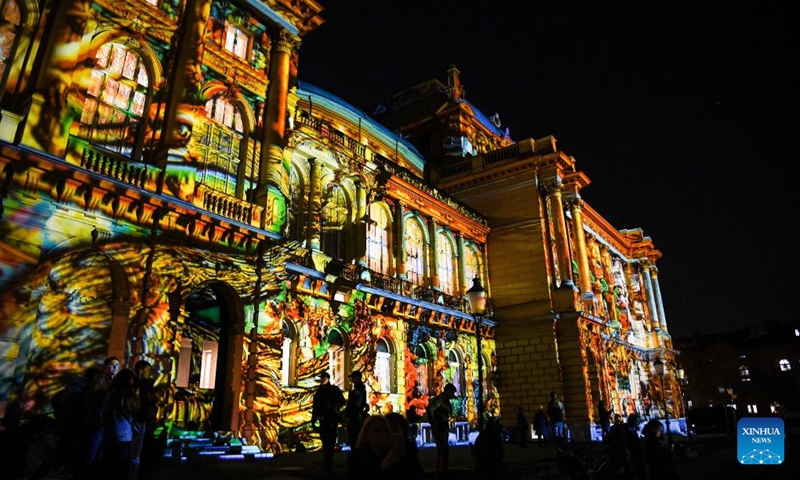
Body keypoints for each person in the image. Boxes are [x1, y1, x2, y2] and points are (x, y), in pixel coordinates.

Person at [102, 368, 141, 479]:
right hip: (122, 433)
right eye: (132, 379)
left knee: (109, 463)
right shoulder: (127, 394)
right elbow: (135, 408)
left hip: (109, 431)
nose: (133, 382)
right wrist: (136, 396)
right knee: (121, 465)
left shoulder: (111, 392)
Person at [311, 371, 345, 472]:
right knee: (325, 441)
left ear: (327, 378)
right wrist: (313, 419)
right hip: (323, 419)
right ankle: (327, 462)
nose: (322, 379)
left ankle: (329, 462)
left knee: (330, 441)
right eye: (321, 378)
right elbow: (316, 405)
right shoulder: (319, 391)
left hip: (331, 418)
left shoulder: (334, 390)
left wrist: (333, 406)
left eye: (323, 377)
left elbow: (342, 401)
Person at [129, 360, 156, 479]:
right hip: (139, 417)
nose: (149, 373)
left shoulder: (132, 383)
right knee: (136, 449)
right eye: (148, 370)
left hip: (134, 417)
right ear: (141, 370)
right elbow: (150, 401)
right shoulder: (145, 384)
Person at [346, 414, 391, 480]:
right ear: (366, 434)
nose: (381, 434)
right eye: (376, 431)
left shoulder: (389, 453)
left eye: (384, 431)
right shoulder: (357, 457)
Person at [382, 412, 424, 480]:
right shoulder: (378, 450)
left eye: (394, 429)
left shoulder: (408, 449)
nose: (391, 433)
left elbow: (416, 472)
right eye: (387, 430)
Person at [427, 382, 456, 480]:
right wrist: (433, 423)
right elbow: (430, 409)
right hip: (439, 427)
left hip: (443, 427)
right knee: (442, 449)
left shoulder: (444, 400)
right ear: (448, 391)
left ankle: (442, 470)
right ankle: (439, 471)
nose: (452, 396)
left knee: (444, 450)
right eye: (452, 393)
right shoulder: (440, 400)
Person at [344, 370, 369, 449]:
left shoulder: (358, 390)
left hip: (356, 418)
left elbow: (356, 405)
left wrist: (348, 413)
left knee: (354, 437)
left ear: (358, 378)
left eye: (353, 378)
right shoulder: (358, 389)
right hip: (356, 416)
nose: (352, 380)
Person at [623, 413, 647, 480]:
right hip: (633, 454)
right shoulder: (627, 430)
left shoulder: (633, 429)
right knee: (638, 471)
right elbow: (628, 444)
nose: (637, 422)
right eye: (636, 421)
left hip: (637, 453)